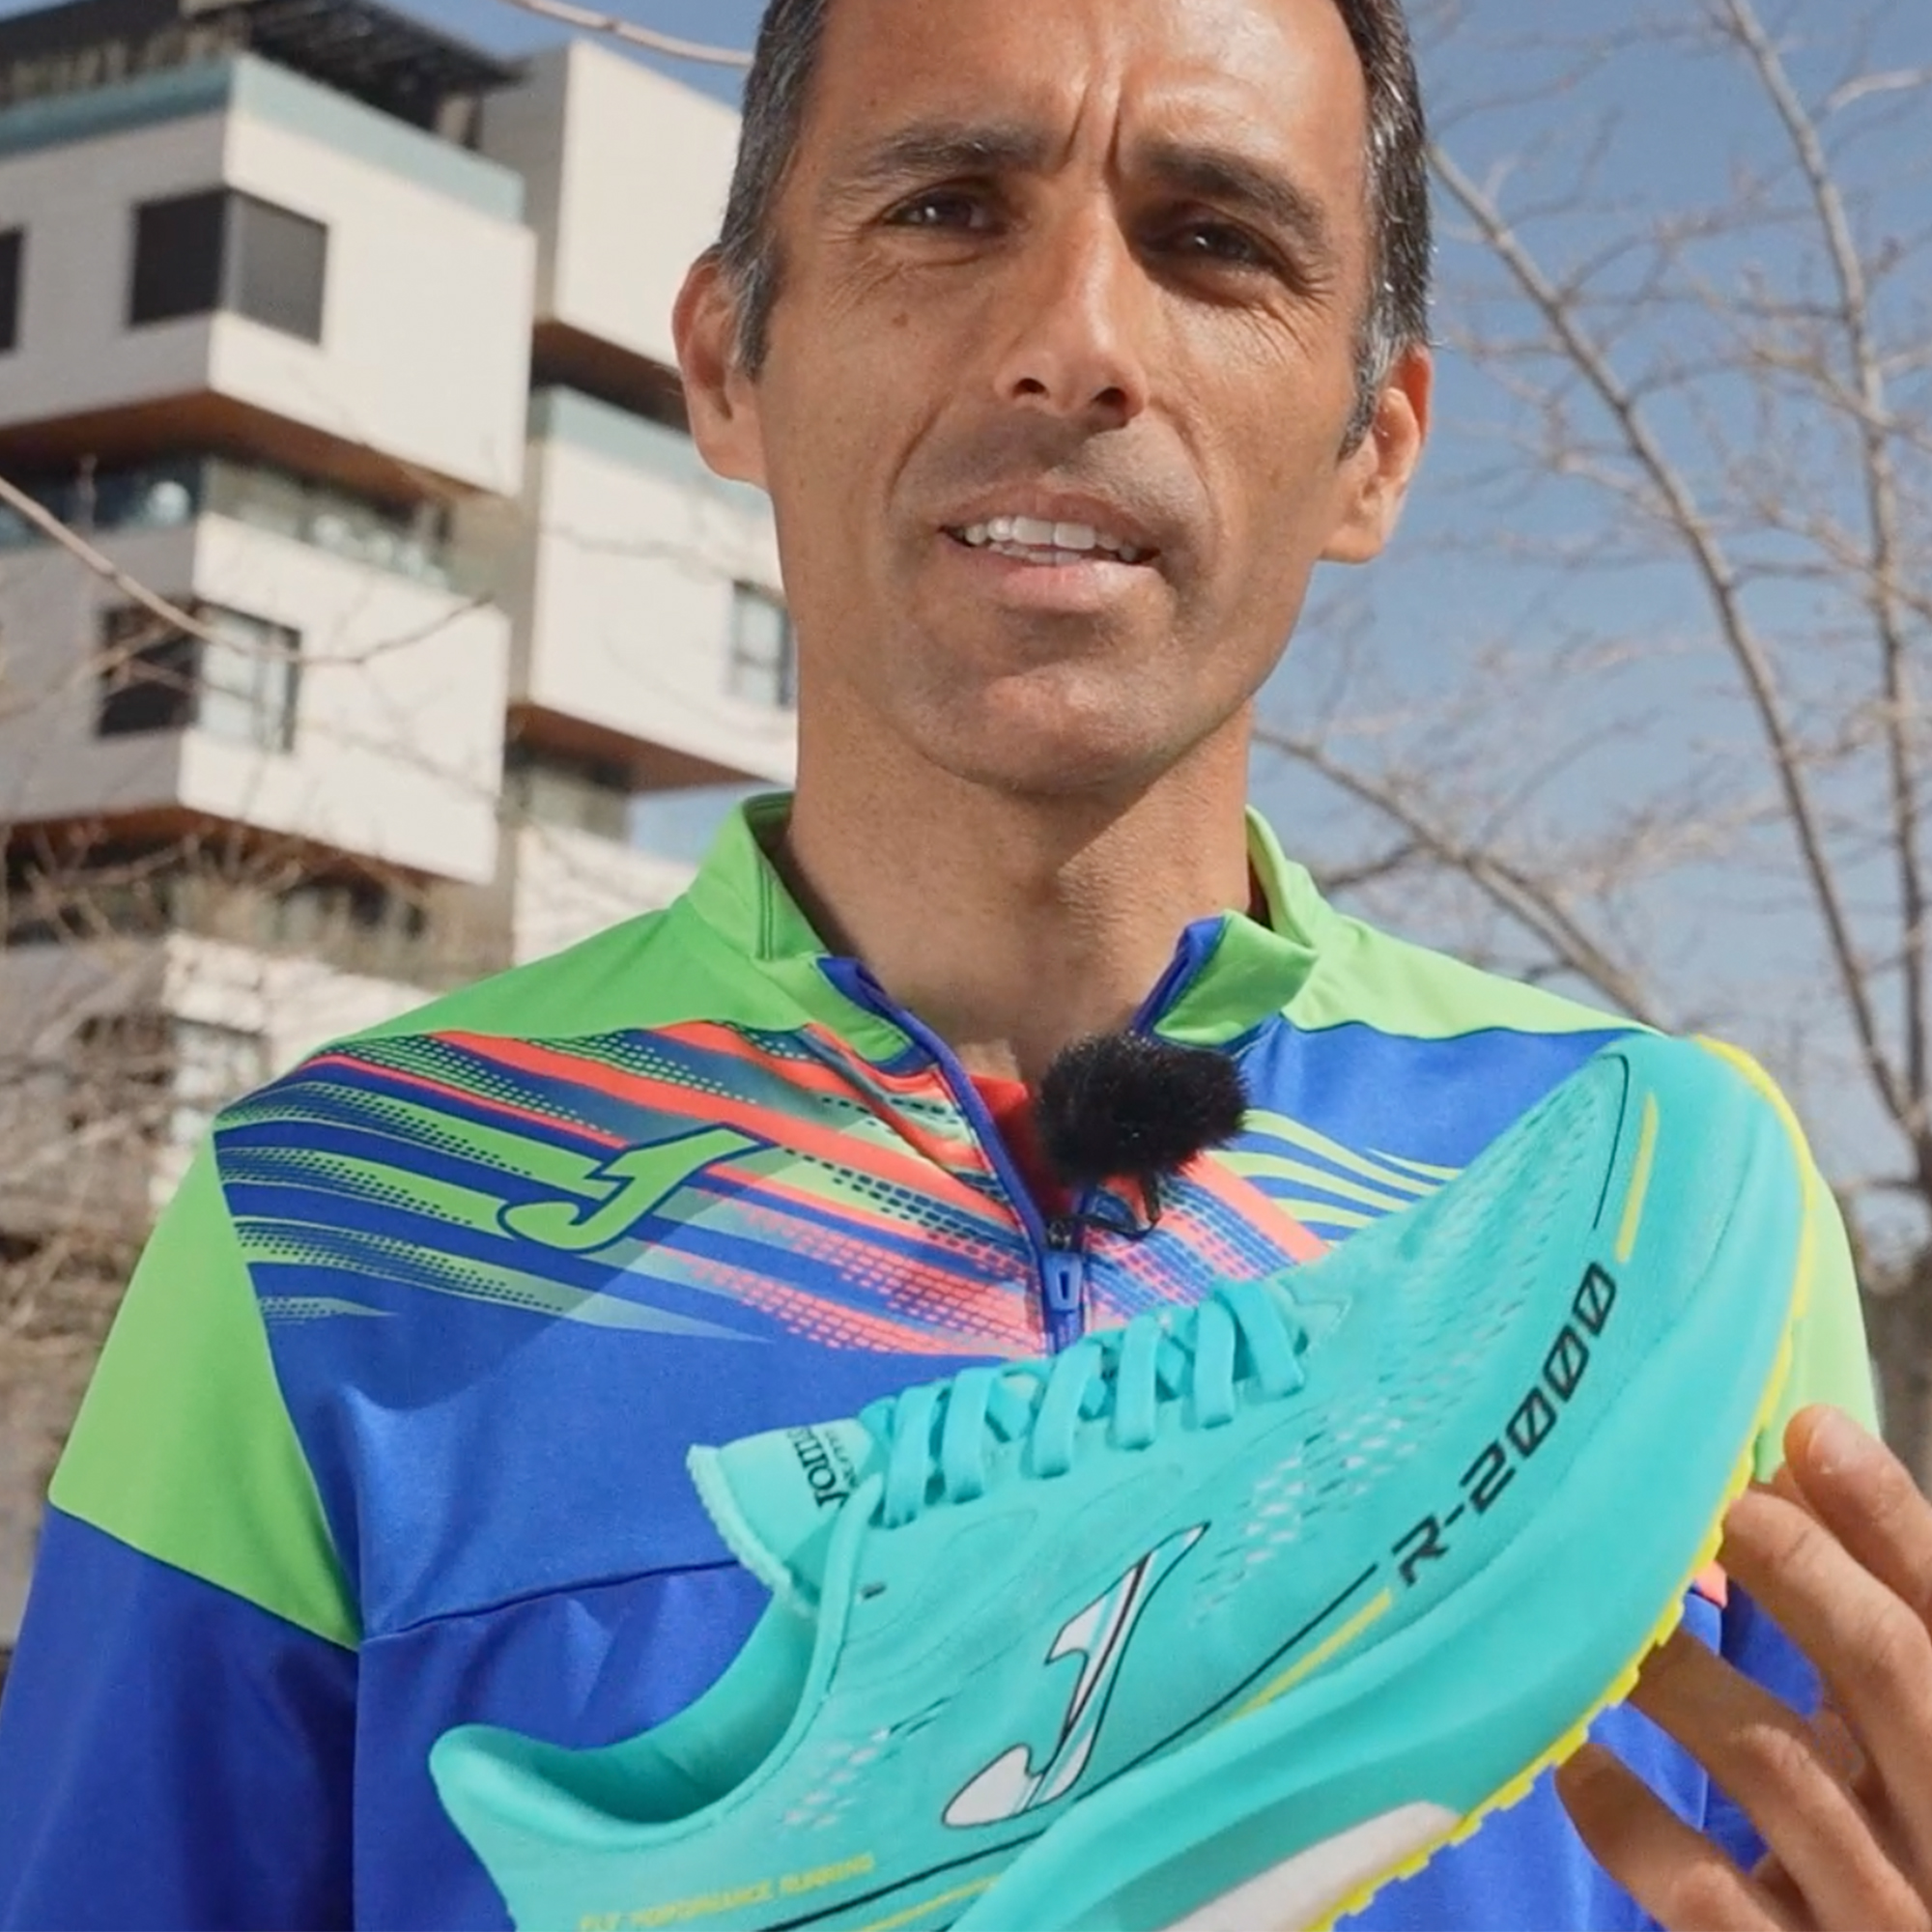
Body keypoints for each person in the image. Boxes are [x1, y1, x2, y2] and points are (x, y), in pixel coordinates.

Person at [4, 0, 1930, 1926]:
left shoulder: (1662, 1201)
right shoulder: (330, 1223)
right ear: (728, 361)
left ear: (1375, 451)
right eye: (943, 209)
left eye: (1212, 243)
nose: (1075, 342)